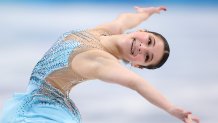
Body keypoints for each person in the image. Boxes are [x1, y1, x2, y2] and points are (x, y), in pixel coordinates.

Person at [0, 6, 200, 123]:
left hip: (44, 111)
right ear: (143, 31)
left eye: (147, 57)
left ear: (137, 65)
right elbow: (125, 19)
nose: (142, 48)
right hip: (36, 100)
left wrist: (173, 109)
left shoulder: (103, 61)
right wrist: (145, 13)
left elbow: (136, 83)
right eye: (148, 41)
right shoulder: (105, 31)